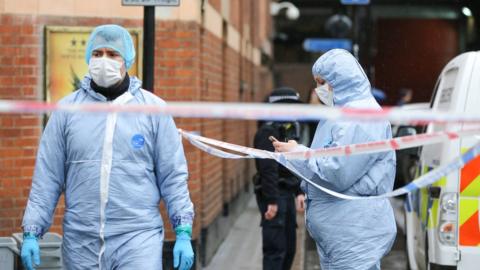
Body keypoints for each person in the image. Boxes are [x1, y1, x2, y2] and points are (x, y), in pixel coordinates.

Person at [20, 24, 194, 270]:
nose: (104, 60)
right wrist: (32, 231)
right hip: (81, 241)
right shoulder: (67, 111)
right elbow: (47, 176)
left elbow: (173, 175)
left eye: (113, 54)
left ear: (127, 60)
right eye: (97, 53)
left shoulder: (153, 110)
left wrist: (183, 230)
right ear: (88, 56)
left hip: (137, 238)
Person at [273, 49, 397, 270]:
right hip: (343, 234)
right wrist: (294, 155)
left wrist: (299, 153)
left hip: (353, 233)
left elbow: (338, 172)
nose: (319, 89)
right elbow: (324, 162)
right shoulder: (342, 114)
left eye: (322, 82)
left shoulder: (361, 118)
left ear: (339, 80)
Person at [253, 87, 305, 270]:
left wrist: (299, 191)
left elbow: (291, 165)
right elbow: (268, 170)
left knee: (290, 249)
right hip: (275, 196)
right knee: (276, 251)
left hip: (287, 195)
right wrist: (272, 201)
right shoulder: (267, 132)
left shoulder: (286, 130)